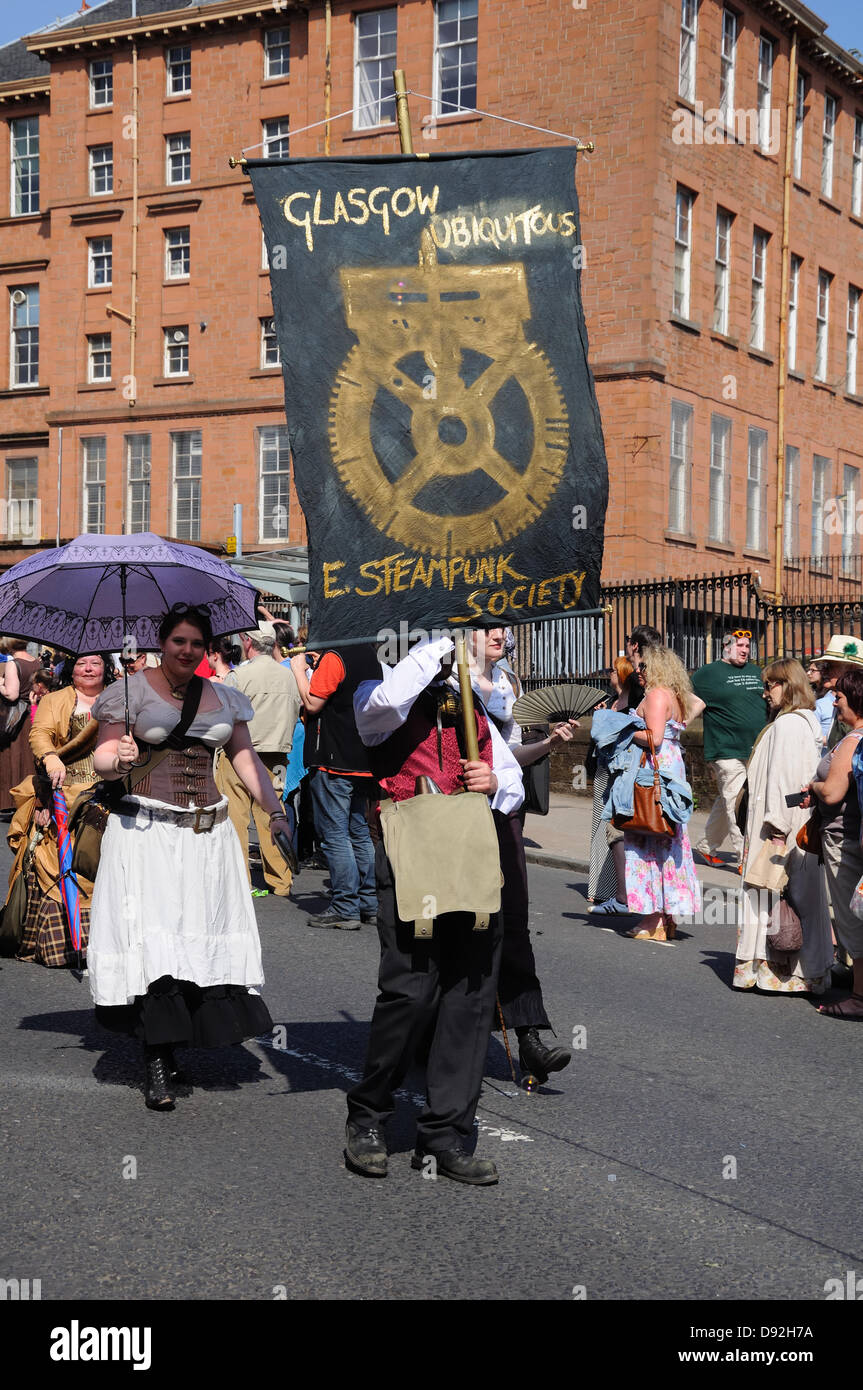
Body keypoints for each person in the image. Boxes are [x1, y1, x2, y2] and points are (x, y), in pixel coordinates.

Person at [86, 603, 290, 1111]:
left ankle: (178, 1044)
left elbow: (245, 760)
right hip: (147, 832)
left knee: (193, 940)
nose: (187, 650)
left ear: (207, 649)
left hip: (208, 836)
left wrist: (277, 811)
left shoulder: (225, 698)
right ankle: (157, 1058)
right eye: (179, 641)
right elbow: (102, 760)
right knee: (156, 942)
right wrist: (120, 759)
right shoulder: (127, 695)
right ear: (162, 643)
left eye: (196, 643)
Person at [344, 635, 524, 1185]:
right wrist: (438, 648)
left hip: (471, 854)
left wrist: (493, 782)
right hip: (410, 854)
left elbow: (512, 783)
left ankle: (446, 1133)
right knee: (410, 991)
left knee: (469, 995)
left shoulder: (472, 704)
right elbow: (384, 709)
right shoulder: (378, 692)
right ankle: (369, 1116)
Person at [467, 626, 575, 1085]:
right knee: (463, 924)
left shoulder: (509, 683)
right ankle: (433, 1032)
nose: (499, 634)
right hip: (458, 814)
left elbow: (511, 756)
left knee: (513, 924)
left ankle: (529, 1034)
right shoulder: (445, 681)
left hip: (504, 812)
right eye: (487, 626)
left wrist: (549, 745)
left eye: (503, 627)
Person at [9, 653, 114, 969]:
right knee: (60, 864)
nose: (88, 668)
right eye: (82, 663)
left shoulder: (120, 698)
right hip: (62, 794)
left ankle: (110, 943)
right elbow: (39, 735)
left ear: (105, 667)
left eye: (95, 663)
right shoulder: (55, 700)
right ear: (72, 669)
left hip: (109, 794)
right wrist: (51, 759)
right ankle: (68, 945)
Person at [734, 659, 832, 995]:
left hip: (779, 828)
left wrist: (777, 825)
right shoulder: (796, 722)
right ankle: (799, 971)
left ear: (787, 686)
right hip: (788, 825)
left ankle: (790, 972)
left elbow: (785, 780)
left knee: (781, 898)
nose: (765, 693)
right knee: (794, 899)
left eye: (770, 685)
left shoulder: (789, 725)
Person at [291, 641, 381, 930]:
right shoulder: (372, 654)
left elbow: (313, 702)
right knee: (359, 832)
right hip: (362, 757)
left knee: (335, 834)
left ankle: (345, 905)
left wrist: (298, 671)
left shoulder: (335, 657)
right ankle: (368, 902)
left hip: (333, 757)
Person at [623, 645, 701, 942]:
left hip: (654, 772)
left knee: (648, 837)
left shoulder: (656, 696)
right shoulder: (675, 695)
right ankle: (666, 917)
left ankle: (652, 919)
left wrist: (622, 730)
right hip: (670, 767)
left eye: (643, 667)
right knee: (668, 839)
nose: (638, 672)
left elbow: (654, 738)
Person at [217, 623, 301, 897]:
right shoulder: (287, 675)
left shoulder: (238, 675)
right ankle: (281, 880)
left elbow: (224, 717)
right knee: (273, 814)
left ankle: (240, 881)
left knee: (236, 817)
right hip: (278, 753)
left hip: (240, 753)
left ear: (248, 643)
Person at [807, 668, 863, 1017]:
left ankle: (859, 997)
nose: (833, 701)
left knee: (850, 915)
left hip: (845, 837)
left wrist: (812, 788)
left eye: (839, 697)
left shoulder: (854, 739)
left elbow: (832, 792)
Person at [691, 629, 766, 869]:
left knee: (728, 802)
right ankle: (747, 858)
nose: (745, 650)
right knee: (738, 803)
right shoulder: (706, 674)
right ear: (726, 646)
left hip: (755, 749)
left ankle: (706, 846)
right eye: (740, 645)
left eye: (747, 646)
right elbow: (686, 698)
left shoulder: (757, 672)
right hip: (725, 750)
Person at [589, 655, 638, 913]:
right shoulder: (609, 701)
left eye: (612, 669)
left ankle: (615, 890)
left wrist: (607, 719)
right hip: (603, 767)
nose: (609, 673)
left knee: (614, 830)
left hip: (620, 769)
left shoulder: (633, 702)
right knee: (599, 828)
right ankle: (597, 889)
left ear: (621, 673)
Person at [0, 638, 42, 815]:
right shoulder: (37, 662)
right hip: (32, 713)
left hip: (14, 718)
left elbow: (11, 694)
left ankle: (10, 800)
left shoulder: (13, 664)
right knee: (28, 759)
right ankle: (29, 798)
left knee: (11, 758)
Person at [807, 656, 836, 743]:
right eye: (809, 670)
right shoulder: (812, 690)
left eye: (813, 670)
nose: (808, 673)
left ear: (822, 672)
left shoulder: (828, 697)